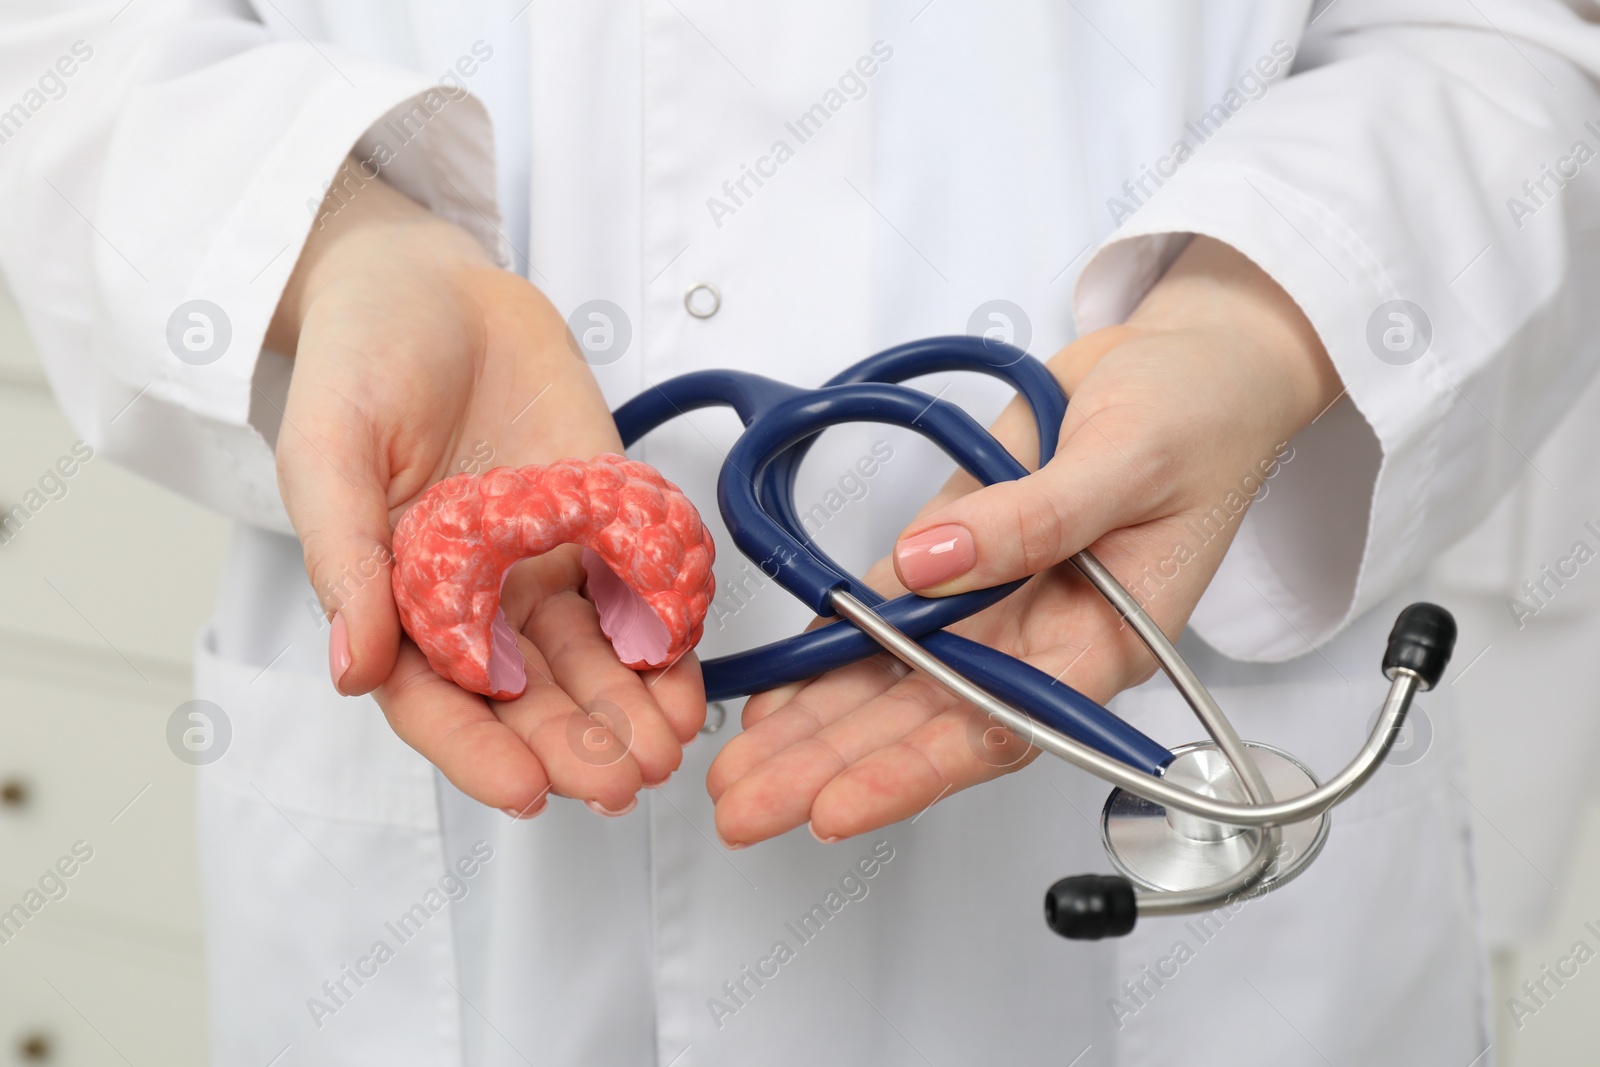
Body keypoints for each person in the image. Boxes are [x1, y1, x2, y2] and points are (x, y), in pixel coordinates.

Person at [3, 1, 1600, 1063]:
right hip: (465, 871)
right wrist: (328, 243)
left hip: (1159, 766)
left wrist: (1266, 319)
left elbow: (1495, 42)